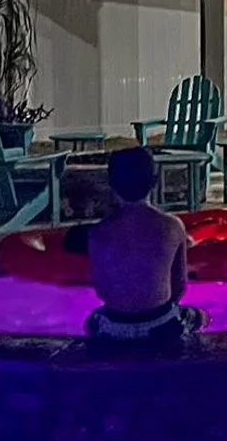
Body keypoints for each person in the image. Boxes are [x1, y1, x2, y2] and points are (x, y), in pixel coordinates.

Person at [85, 148, 201, 346]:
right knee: (199, 317)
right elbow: (180, 285)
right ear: (155, 182)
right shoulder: (172, 226)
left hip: (115, 326)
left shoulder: (98, 232)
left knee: (91, 321)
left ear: (111, 185)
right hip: (161, 325)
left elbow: (101, 290)